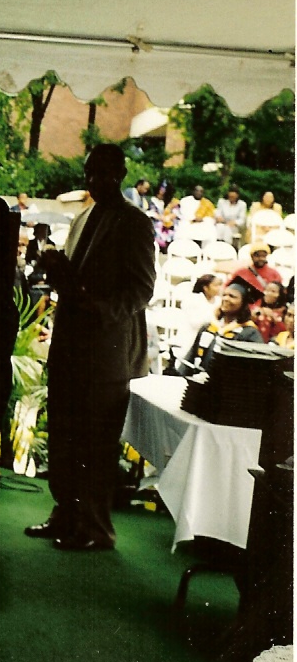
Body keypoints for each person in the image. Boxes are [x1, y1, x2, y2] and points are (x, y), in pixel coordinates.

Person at [25, 144, 155, 552]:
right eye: (87, 173)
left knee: (95, 446)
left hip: (106, 353)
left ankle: (96, 529)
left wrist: (98, 309)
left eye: (99, 174)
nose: (91, 181)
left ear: (118, 175)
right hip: (71, 347)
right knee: (64, 436)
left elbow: (141, 288)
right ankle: (64, 514)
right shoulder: (83, 217)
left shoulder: (134, 223)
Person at [175, 281, 264, 376]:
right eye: (224, 295)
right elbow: (191, 356)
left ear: (243, 303)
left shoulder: (250, 333)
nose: (226, 298)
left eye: (232, 296)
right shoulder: (209, 327)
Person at [177, 273, 223, 360]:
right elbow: (195, 322)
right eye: (216, 285)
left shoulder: (219, 301)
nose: (219, 288)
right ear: (205, 287)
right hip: (190, 338)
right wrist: (213, 314)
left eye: (220, 285)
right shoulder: (193, 299)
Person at [147, 181, 179, 252]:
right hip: (157, 221)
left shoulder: (172, 202)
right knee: (158, 225)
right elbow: (152, 213)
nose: (161, 193)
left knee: (176, 225)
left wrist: (169, 217)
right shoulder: (153, 200)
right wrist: (162, 218)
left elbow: (176, 213)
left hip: (168, 223)